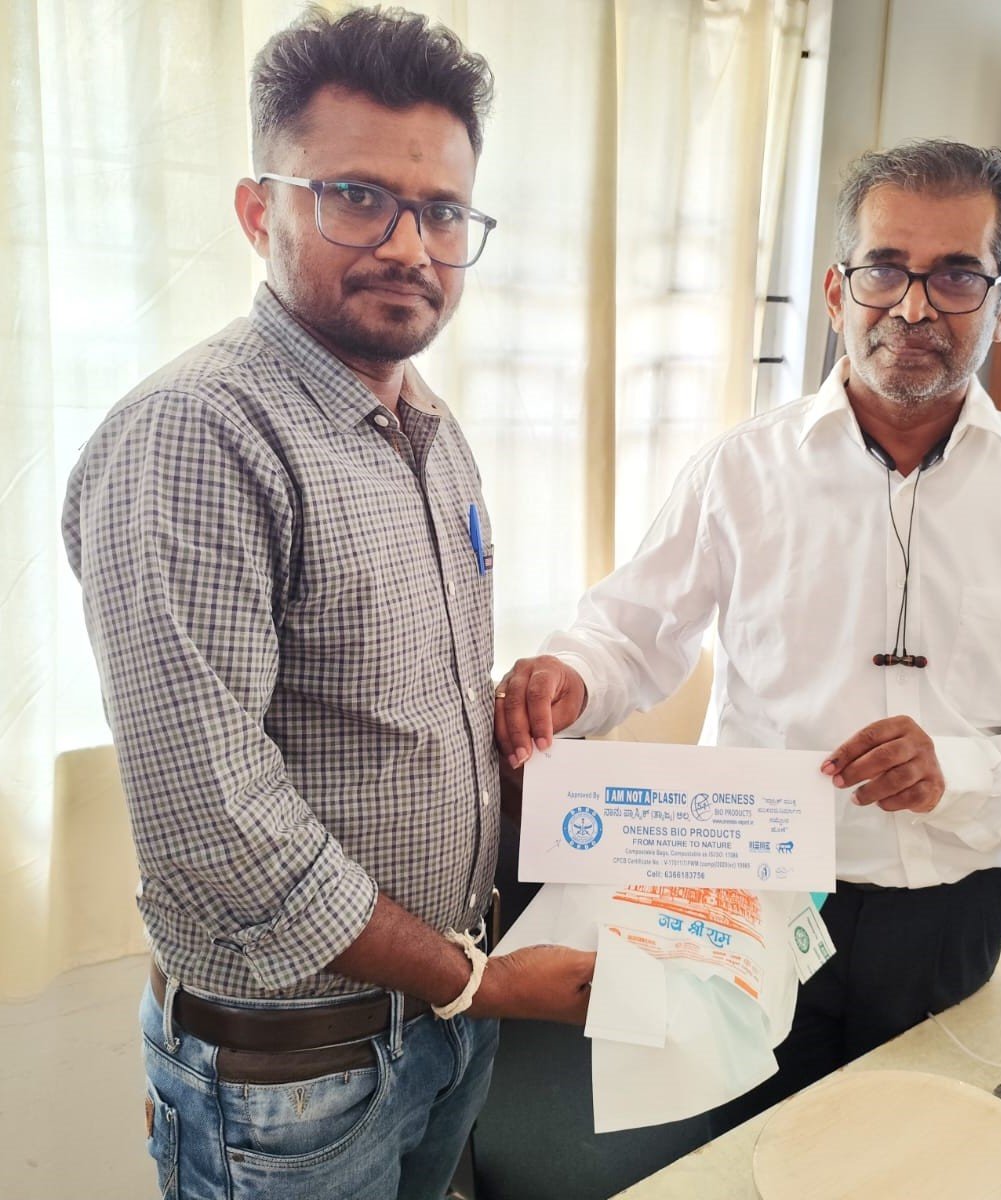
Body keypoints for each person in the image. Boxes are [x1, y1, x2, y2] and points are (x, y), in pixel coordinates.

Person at [494, 139, 1001, 1127]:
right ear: (839, 290)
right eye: (885, 269)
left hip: (950, 916)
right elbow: (628, 634)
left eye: (956, 275)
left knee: (906, 1155)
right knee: (734, 1151)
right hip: (748, 899)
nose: (913, 308)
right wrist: (571, 677)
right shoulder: (741, 471)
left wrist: (960, 770)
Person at [62, 9, 593, 1199]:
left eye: (443, 211)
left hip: (438, 1030)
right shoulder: (198, 435)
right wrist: (478, 981)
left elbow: (389, 707)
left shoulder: (429, 429)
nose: (410, 245)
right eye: (358, 196)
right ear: (261, 211)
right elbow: (218, 823)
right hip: (292, 1080)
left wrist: (509, 746)